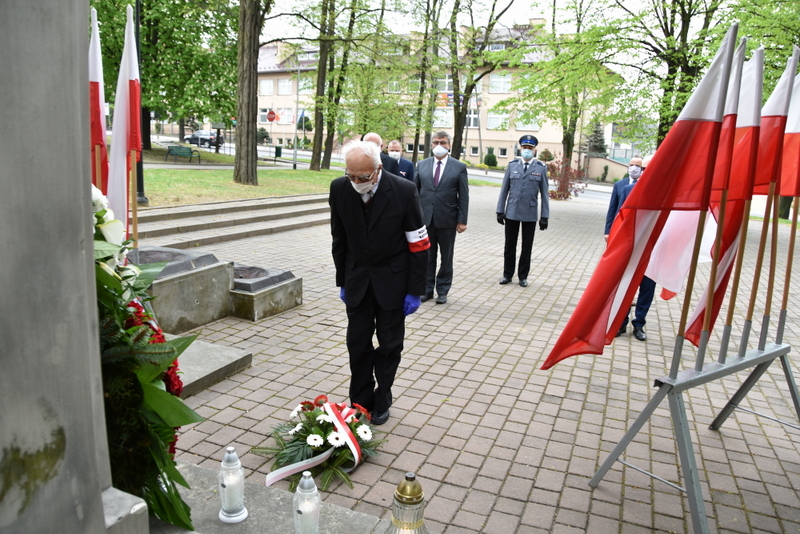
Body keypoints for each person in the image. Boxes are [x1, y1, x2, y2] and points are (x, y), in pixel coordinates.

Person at [329, 140, 430, 425]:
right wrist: (343, 280)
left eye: (363, 177)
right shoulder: (340, 189)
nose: (356, 182)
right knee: (358, 344)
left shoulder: (404, 190)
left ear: (378, 169)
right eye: (351, 175)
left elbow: (419, 244)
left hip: (393, 283)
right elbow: (339, 238)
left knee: (389, 346)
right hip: (358, 281)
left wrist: (415, 291)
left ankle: (382, 398)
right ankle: (360, 401)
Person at [414, 131, 469, 304]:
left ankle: (443, 290)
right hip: (425, 219)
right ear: (431, 145)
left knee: (446, 257)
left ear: (449, 145)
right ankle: (427, 289)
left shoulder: (459, 167)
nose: (439, 146)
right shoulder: (422, 165)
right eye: (436, 142)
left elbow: (464, 196)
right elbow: (414, 192)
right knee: (428, 256)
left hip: (447, 219)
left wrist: (462, 220)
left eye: (443, 142)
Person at [605, 154, 655, 341]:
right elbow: (618, 216)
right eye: (643, 168)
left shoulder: (665, 192)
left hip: (651, 248)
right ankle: (621, 321)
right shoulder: (627, 190)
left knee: (647, 288)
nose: (643, 171)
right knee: (625, 285)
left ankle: (639, 323)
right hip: (631, 246)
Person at [496, 135, 550, 288]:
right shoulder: (512, 165)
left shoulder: (540, 168)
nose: (527, 150)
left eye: (530, 148)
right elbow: (504, 189)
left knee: (527, 247)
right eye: (525, 147)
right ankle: (507, 274)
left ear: (535, 150)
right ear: (520, 148)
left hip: (530, 213)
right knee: (509, 245)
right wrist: (500, 210)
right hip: (512, 211)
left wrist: (544, 216)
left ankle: (523, 276)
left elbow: (544, 194)